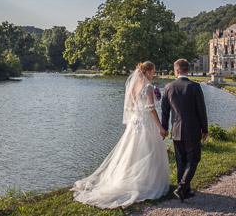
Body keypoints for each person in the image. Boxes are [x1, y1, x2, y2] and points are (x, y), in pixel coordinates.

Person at [71, 61, 170, 209]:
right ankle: (146, 182)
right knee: (148, 151)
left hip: (134, 122)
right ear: (148, 72)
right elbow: (151, 109)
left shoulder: (133, 85)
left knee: (131, 152)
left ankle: (127, 178)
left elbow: (130, 106)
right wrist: (161, 128)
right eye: (153, 71)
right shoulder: (148, 87)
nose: (154, 74)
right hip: (146, 123)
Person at [161, 59, 208, 202]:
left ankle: (185, 191)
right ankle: (182, 188)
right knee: (193, 159)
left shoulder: (169, 87)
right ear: (188, 70)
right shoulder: (195, 87)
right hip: (193, 130)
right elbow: (202, 110)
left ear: (176, 71)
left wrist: (165, 128)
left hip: (176, 130)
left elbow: (165, 111)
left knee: (181, 161)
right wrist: (205, 129)